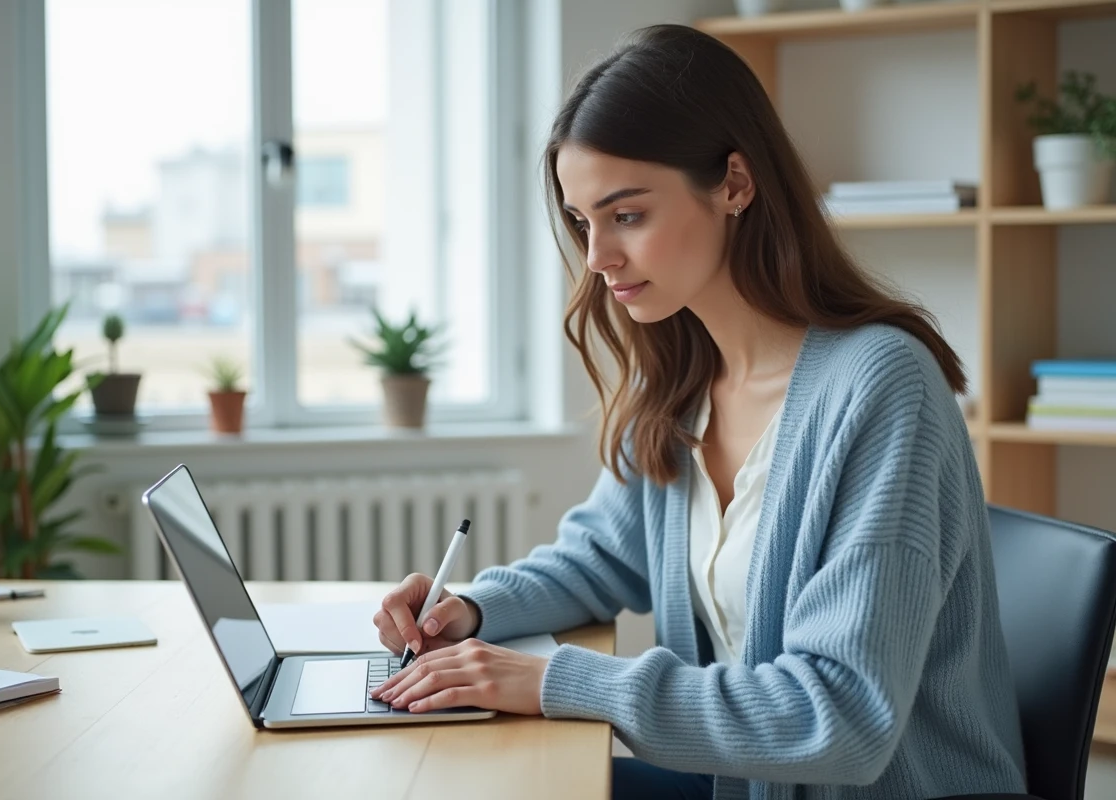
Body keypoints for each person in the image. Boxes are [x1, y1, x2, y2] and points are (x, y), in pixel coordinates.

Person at [371, 23, 1025, 800]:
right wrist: (469, 610)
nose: (597, 257)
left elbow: (842, 717)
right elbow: (598, 557)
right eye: (583, 222)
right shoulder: (683, 382)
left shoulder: (881, 389)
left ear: (735, 184)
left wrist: (555, 680)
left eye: (627, 215)